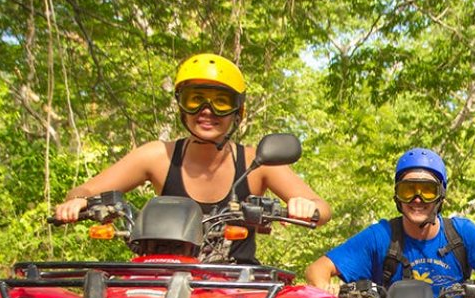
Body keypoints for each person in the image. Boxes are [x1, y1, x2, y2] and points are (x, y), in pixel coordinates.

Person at [53, 53, 330, 264]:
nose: (206, 110)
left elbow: (323, 208)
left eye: (220, 102)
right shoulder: (157, 156)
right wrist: (78, 201)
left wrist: (304, 205)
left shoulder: (256, 163)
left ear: (237, 112)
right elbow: (86, 190)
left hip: (240, 290)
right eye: (194, 99)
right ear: (181, 107)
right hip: (162, 278)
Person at [304, 148, 475, 298]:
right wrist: (325, 287)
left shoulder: (462, 233)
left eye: (427, 191)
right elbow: (317, 269)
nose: (417, 199)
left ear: (440, 195)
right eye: (408, 190)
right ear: (397, 196)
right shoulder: (380, 236)